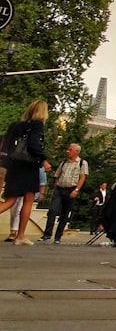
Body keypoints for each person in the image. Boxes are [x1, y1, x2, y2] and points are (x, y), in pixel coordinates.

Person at [0, 100, 52, 245]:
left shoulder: (16, 126)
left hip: (14, 166)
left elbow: (7, 146)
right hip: (29, 167)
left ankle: (20, 235)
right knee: (28, 200)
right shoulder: (37, 126)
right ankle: (20, 236)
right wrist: (44, 160)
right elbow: (34, 145)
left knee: (10, 200)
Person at [40, 142, 88, 244]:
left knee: (65, 214)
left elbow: (82, 177)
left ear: (76, 151)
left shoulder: (82, 163)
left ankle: (58, 236)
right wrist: (55, 188)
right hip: (60, 189)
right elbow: (57, 175)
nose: (68, 151)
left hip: (71, 189)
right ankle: (47, 234)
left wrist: (76, 190)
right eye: (68, 149)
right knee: (52, 210)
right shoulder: (64, 163)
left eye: (70, 150)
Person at [8, 166, 46, 241]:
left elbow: (42, 182)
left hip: (26, 190)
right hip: (16, 189)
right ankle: (14, 230)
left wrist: (41, 193)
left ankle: (14, 231)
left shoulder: (40, 168)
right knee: (13, 210)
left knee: (19, 210)